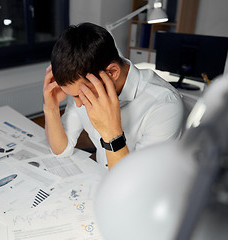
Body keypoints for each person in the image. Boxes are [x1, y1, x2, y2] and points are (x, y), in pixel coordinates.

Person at [43, 22, 184, 169]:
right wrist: (51, 108)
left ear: (112, 73)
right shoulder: (82, 85)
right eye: (73, 96)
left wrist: (112, 133)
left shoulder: (165, 105)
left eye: (80, 95)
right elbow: (61, 150)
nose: (78, 104)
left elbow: (137, 184)